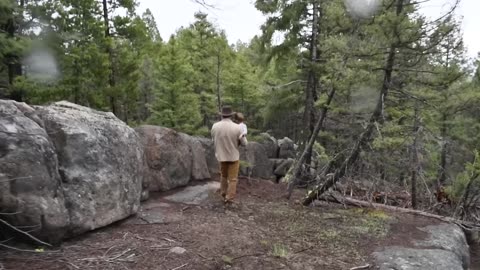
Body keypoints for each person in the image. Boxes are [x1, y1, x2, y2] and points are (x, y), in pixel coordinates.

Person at [211, 106, 247, 205]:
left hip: (221, 156)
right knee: (233, 179)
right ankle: (229, 198)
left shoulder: (215, 126)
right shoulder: (237, 127)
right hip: (233, 157)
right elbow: (244, 143)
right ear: (231, 115)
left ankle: (223, 194)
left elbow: (213, 140)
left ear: (222, 115)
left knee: (223, 176)